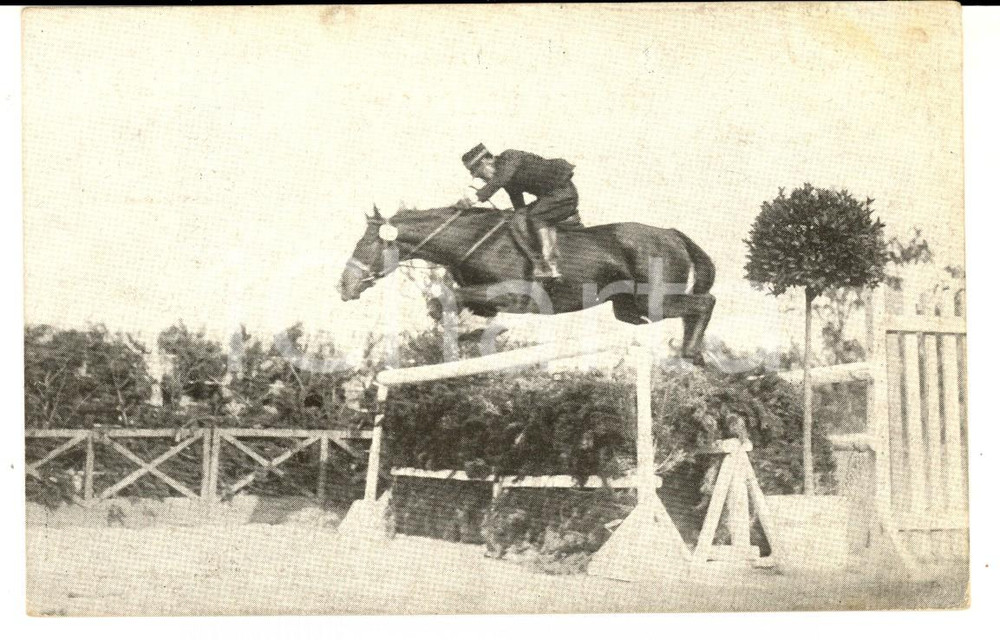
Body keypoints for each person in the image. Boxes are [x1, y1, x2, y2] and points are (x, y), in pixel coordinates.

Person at [455, 144, 580, 279]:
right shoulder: (504, 174)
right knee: (519, 219)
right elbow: (517, 199)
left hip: (562, 194)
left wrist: (473, 199)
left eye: (479, 172)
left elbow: (499, 180)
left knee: (535, 217)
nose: (481, 178)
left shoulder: (509, 157)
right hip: (553, 197)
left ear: (485, 161)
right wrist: (516, 214)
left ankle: (548, 265)